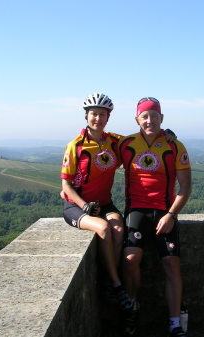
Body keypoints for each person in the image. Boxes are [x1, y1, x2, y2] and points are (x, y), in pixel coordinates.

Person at [120, 97, 192, 337]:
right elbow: (99, 157)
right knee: (130, 259)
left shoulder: (174, 146)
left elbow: (185, 188)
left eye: (155, 115)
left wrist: (172, 214)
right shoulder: (126, 144)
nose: (150, 120)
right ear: (137, 119)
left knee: (172, 264)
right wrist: (70, 190)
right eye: (145, 116)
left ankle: (174, 323)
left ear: (162, 118)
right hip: (136, 211)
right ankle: (132, 307)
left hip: (164, 211)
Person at [61, 93, 131, 309]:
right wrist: (84, 206)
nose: (98, 118)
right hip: (77, 205)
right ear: (86, 116)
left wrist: (163, 135)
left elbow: (138, 143)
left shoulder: (114, 142)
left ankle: (111, 277)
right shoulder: (76, 146)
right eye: (94, 114)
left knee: (119, 228)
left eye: (102, 114)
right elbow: (66, 186)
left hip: (105, 203)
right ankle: (116, 284)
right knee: (103, 228)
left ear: (108, 118)